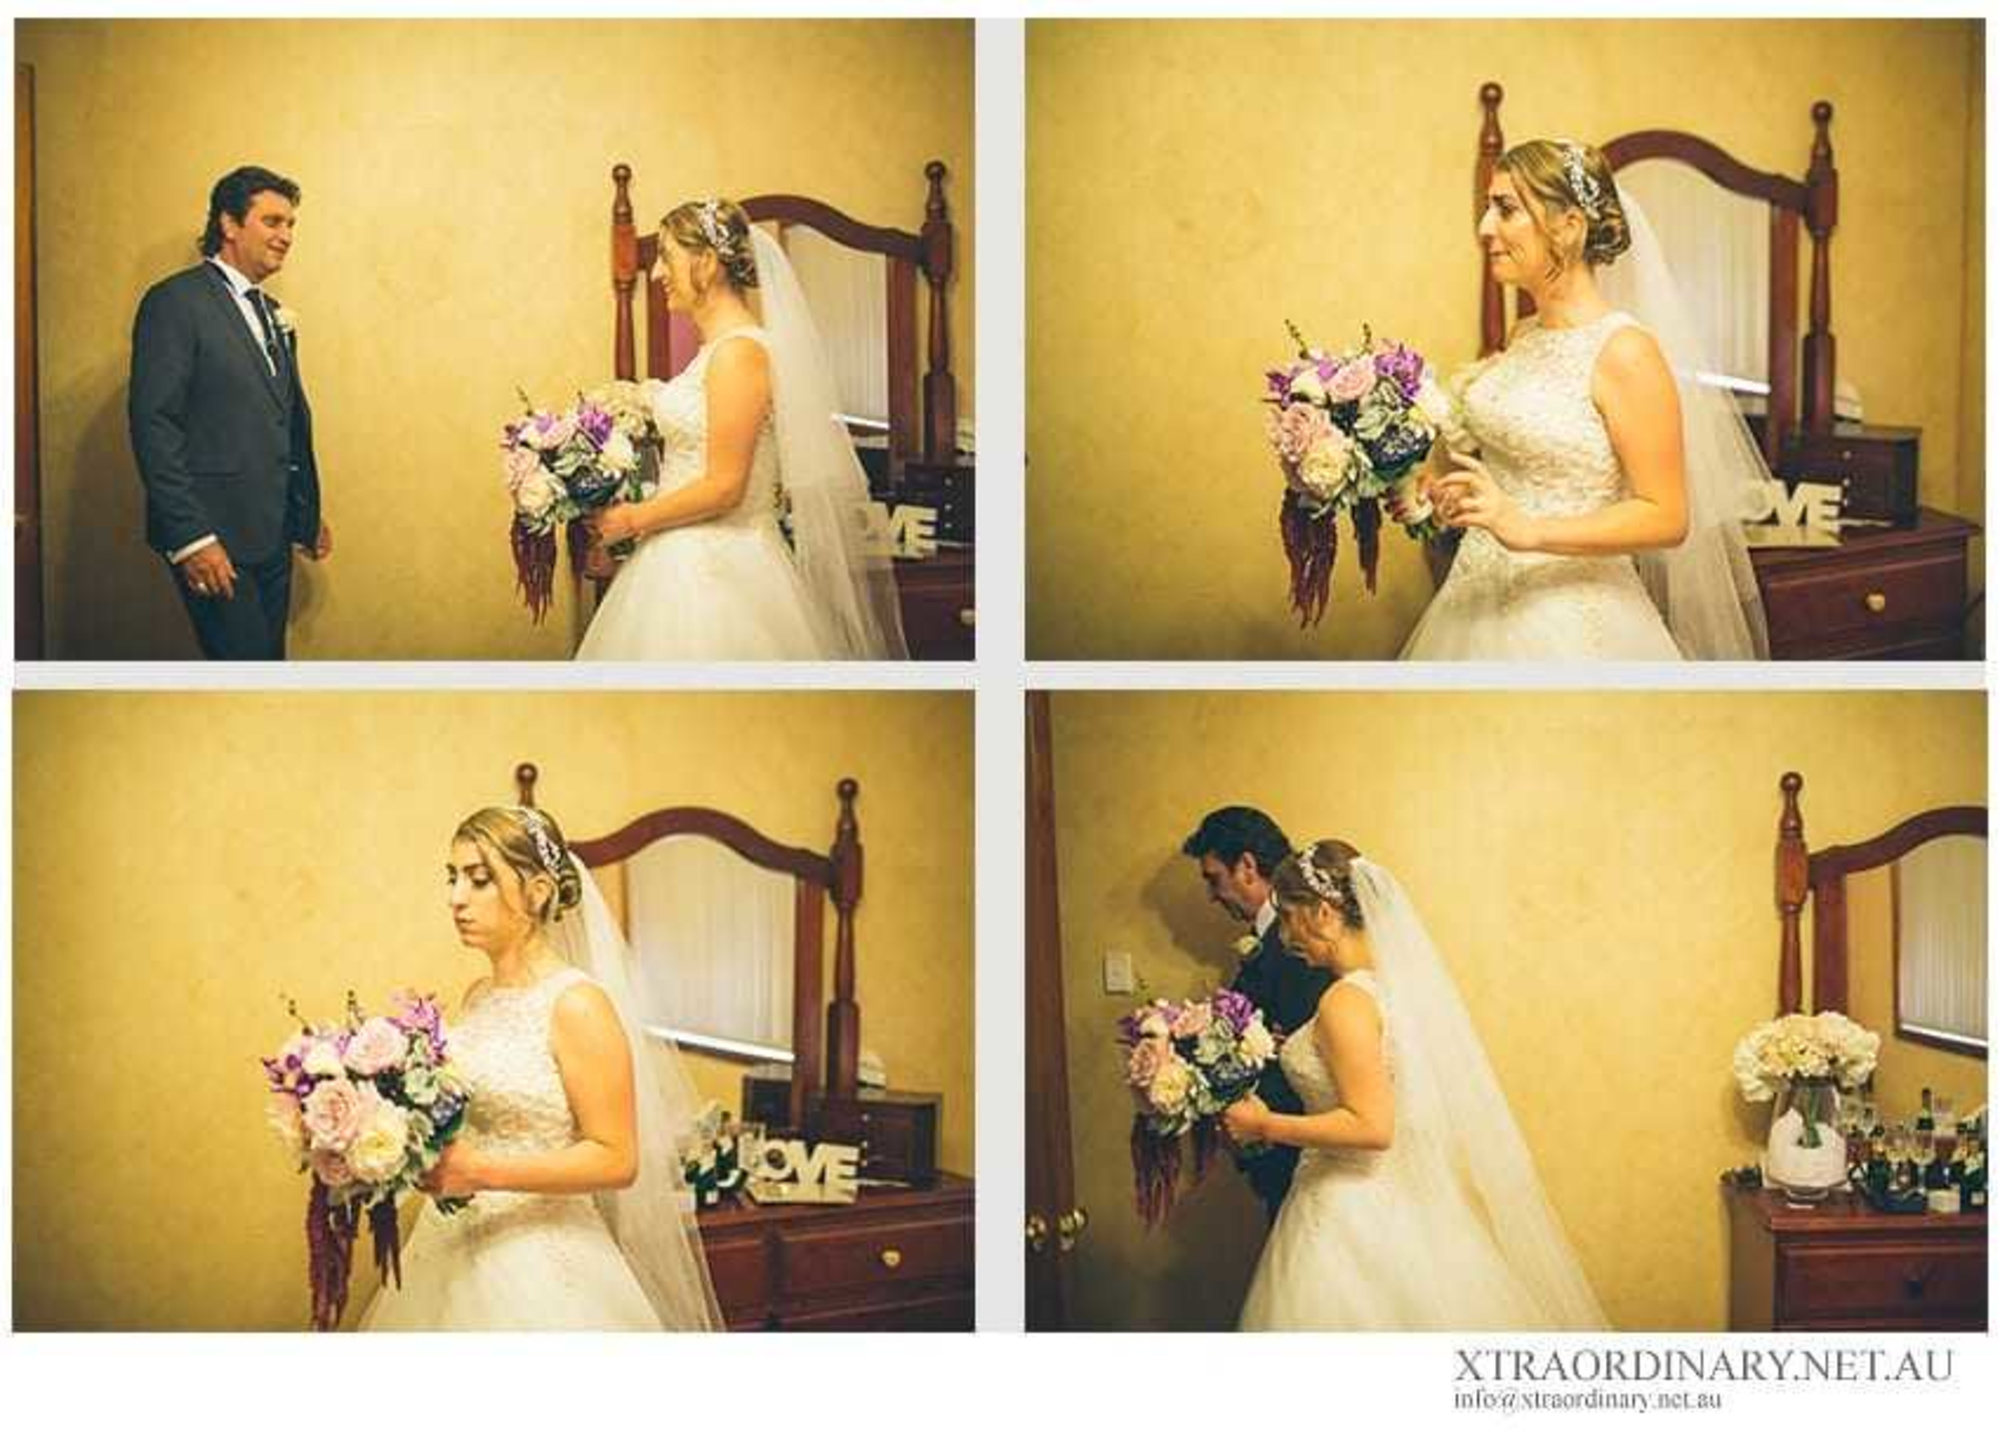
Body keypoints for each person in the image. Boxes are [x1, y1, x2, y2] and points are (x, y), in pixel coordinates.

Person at [1402, 139, 1767, 661]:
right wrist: (1455, 497)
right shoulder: (1524, 332)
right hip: (1475, 595)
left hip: (1572, 621)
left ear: (1568, 226)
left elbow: (1666, 516)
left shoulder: (1627, 354)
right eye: (1490, 208)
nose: (1485, 228)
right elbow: (1520, 469)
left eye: (1505, 209)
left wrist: (1527, 529)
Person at [361, 806, 719, 1331]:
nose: (455, 897)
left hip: (541, 1262)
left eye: (479, 880)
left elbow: (617, 1159)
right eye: (453, 877)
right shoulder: (478, 996)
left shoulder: (578, 1004)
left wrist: (481, 1171)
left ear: (538, 891)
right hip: (452, 1243)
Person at [1224, 842, 1605, 1331]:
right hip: (1403, 1203)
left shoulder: (1345, 1002)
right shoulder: (1392, 991)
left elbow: (1372, 1126)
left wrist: (1264, 1125)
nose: (1285, 935)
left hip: (1348, 1209)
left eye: (1290, 915)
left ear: (1323, 911)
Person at [576, 198, 907, 660]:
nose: (656, 274)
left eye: (667, 257)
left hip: (720, 572)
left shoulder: (740, 354)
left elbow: (725, 487)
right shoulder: (717, 351)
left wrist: (630, 520)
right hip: (677, 556)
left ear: (706, 263)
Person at [128, 166, 331, 660]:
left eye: (291, 225)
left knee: (269, 666)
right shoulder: (175, 302)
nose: (286, 236)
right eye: (273, 221)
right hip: (215, 538)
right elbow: (154, 424)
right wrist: (192, 539)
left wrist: (304, 511)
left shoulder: (272, 312)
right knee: (241, 673)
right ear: (230, 223)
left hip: (273, 533)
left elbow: (283, 418)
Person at [1181, 806, 1333, 1224]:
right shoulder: (1267, 940)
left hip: (1302, 1161)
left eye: (1214, 878)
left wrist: (1257, 1128)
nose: (1213, 896)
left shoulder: (1299, 942)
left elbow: (1314, 1055)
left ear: (1247, 866)